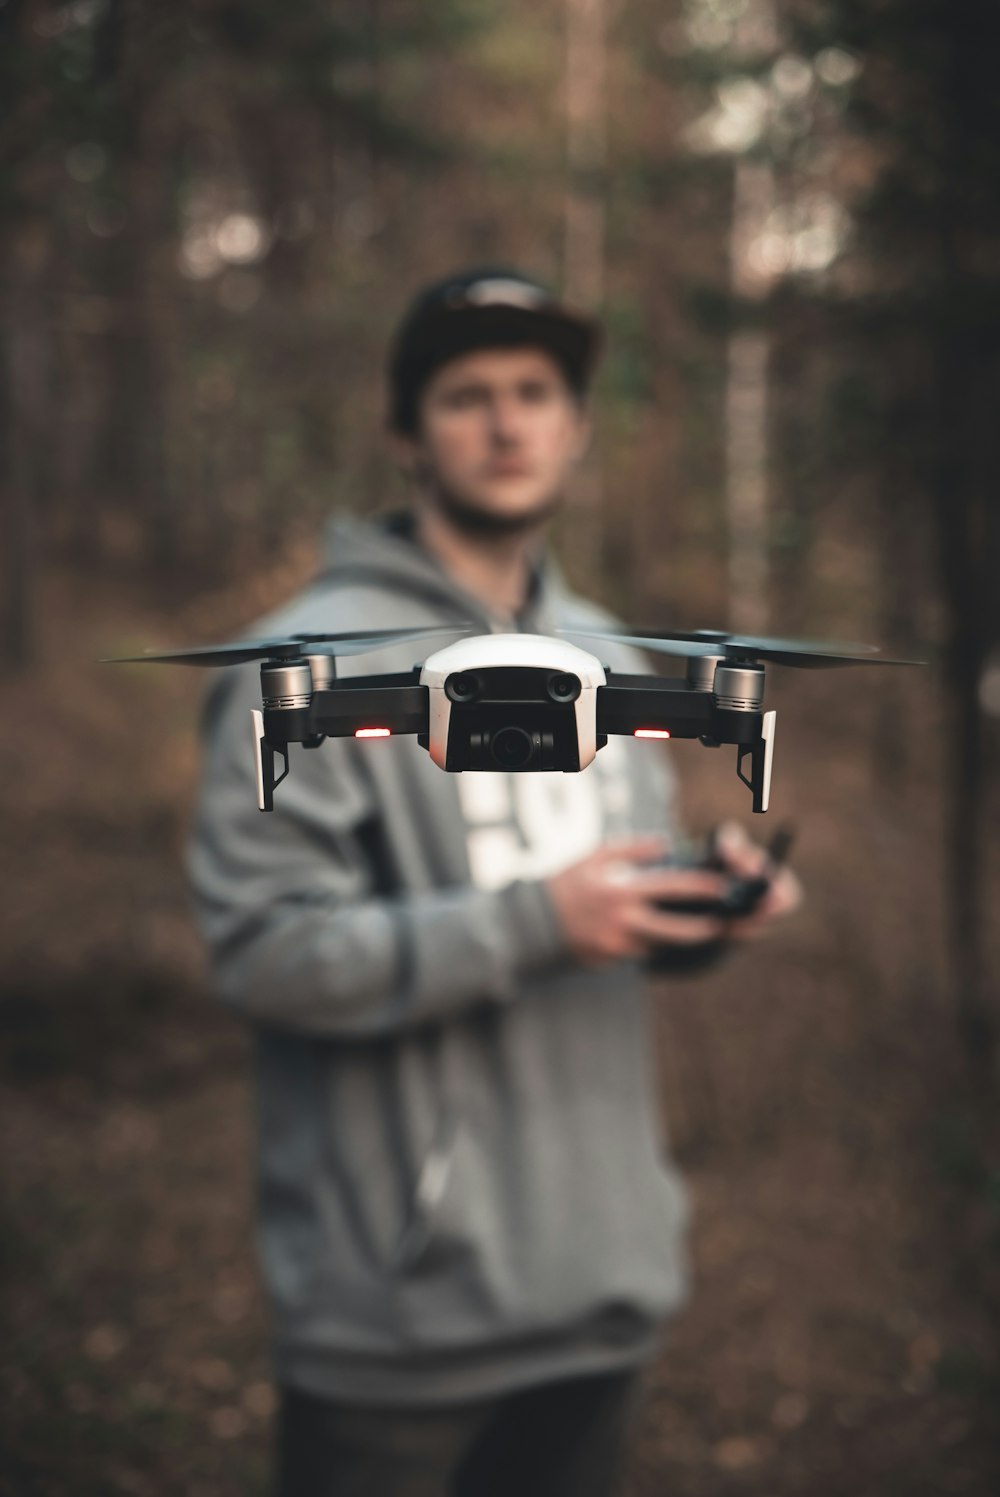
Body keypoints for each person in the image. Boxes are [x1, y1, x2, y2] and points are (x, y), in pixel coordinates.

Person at [188, 267, 800, 1497]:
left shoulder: (613, 658)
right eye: (468, 395)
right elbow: (260, 951)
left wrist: (696, 908)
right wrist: (530, 925)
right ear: (406, 433)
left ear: (574, 426)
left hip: (602, 1285)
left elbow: (602, 914)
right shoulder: (304, 668)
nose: (508, 422)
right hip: (399, 1322)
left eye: (536, 392)